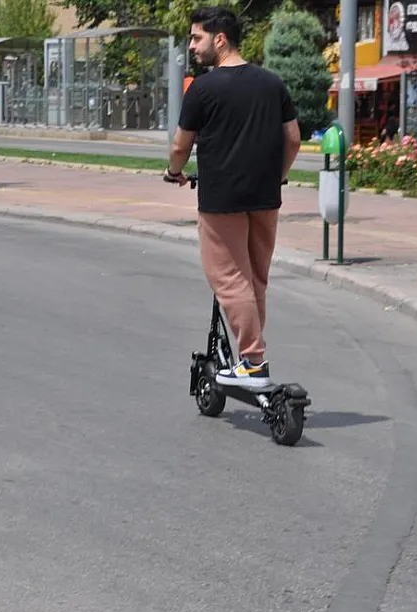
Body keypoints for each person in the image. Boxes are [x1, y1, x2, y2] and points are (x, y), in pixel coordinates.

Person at [164, 6, 301, 389]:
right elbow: (293, 139)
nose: (192, 45)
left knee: (227, 278)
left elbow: (180, 146)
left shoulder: (203, 88)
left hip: (222, 198)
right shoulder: (272, 83)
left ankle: (254, 361)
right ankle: (248, 357)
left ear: (219, 39)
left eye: (196, 38)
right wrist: (279, 176)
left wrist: (174, 173)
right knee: (255, 279)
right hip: (265, 196)